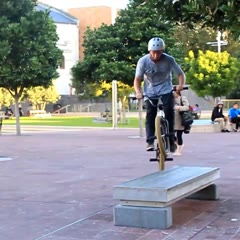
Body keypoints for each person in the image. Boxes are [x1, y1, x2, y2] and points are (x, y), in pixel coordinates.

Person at [133, 37, 185, 151]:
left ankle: (171, 140)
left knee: (169, 113)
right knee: (150, 115)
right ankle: (150, 141)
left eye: (158, 52)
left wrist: (180, 85)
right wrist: (138, 92)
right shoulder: (143, 61)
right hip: (150, 92)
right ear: (149, 51)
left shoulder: (169, 60)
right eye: (153, 52)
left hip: (166, 90)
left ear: (162, 51)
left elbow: (180, 74)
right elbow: (137, 79)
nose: (156, 55)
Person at [173, 90, 190, 156]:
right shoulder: (171, 99)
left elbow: (187, 107)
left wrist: (178, 108)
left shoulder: (182, 98)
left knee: (179, 135)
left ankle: (179, 150)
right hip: (172, 120)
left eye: (174, 92)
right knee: (171, 135)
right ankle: (178, 145)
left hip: (180, 120)